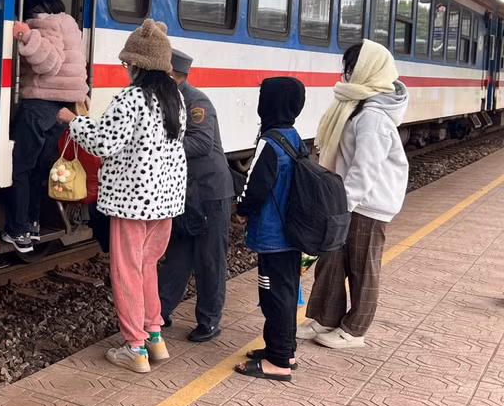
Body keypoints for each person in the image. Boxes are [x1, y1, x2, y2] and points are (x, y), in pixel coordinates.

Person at [60, 18, 186, 373]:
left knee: (127, 272)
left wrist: (73, 120)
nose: (125, 68)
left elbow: (103, 143)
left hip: (133, 202)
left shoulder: (130, 98)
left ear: (139, 65)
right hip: (165, 202)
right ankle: (154, 336)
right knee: (146, 267)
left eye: (127, 62)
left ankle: (134, 348)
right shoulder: (174, 97)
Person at [299, 40, 409, 350]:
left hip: (367, 205)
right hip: (348, 201)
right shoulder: (356, 105)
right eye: (347, 67)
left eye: (352, 68)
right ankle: (324, 318)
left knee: (362, 267)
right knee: (331, 261)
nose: (346, 74)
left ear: (367, 71)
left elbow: (365, 170)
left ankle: (354, 330)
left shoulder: (373, 117)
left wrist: (341, 206)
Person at [3, 0, 89, 252]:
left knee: (21, 169)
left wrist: (25, 35)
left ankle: (18, 231)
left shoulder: (42, 23)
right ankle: (34, 225)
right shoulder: (68, 22)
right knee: (40, 169)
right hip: (63, 108)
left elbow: (50, 63)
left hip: (40, 104)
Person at [232, 77, 307, 381]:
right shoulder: (294, 136)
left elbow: (255, 187)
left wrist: (241, 210)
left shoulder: (271, 141)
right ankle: (284, 349)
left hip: (273, 236)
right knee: (286, 292)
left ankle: (277, 361)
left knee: (274, 295)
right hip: (291, 233)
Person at [158, 48, 233, 342]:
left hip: (209, 192)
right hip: (185, 192)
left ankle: (210, 320)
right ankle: (159, 311)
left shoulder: (196, 101)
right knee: (178, 254)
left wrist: (158, 148)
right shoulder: (169, 100)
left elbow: (201, 143)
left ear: (171, 75)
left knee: (209, 259)